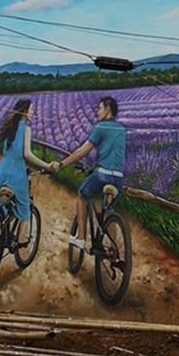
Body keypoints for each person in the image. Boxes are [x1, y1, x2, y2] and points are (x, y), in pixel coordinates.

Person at [0, 99, 54, 244]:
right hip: (17, 173)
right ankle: (20, 239)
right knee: (24, 206)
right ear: (24, 111)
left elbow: (10, 152)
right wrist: (47, 166)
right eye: (31, 109)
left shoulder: (10, 127)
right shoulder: (26, 129)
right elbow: (27, 154)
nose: (33, 112)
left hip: (3, 169)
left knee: (3, 204)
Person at [54, 96, 125, 251]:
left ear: (107, 109)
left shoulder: (101, 127)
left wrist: (62, 164)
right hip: (119, 179)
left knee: (82, 195)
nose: (97, 112)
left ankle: (81, 238)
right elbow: (112, 155)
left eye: (99, 108)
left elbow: (82, 151)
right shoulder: (121, 129)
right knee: (108, 212)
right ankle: (114, 251)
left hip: (103, 176)